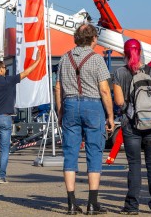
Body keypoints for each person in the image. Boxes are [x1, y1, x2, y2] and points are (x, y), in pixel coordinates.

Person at [54, 24, 114, 215]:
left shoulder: (65, 58)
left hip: (70, 104)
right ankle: (92, 203)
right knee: (94, 152)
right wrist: (111, 115)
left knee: (70, 153)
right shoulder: (97, 60)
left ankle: (71, 203)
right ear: (93, 38)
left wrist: (60, 111)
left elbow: (58, 88)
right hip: (93, 106)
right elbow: (104, 90)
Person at [112, 39, 151, 215]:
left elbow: (119, 101)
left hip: (131, 125)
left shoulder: (120, 73)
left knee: (134, 164)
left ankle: (132, 206)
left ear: (125, 53)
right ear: (140, 52)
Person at [0, 50, 43, 184]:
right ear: (1, 69)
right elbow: (26, 73)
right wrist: (37, 61)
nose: (6, 69)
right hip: (5, 117)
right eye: (5, 68)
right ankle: (1, 177)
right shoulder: (9, 80)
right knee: (4, 149)